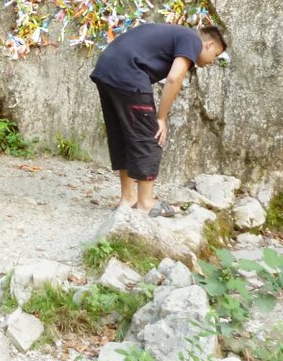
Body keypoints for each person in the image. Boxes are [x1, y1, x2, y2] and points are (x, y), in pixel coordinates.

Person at [90, 23, 227, 217]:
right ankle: (146, 202)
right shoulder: (193, 40)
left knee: (122, 135)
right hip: (129, 75)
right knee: (149, 136)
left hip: (106, 70)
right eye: (215, 55)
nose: (212, 61)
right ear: (209, 44)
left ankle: (128, 198)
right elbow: (174, 78)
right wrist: (161, 118)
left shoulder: (174, 33)